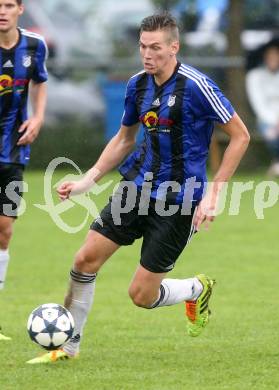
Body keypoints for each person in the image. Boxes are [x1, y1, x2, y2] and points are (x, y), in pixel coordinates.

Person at [27, 12, 249, 364]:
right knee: (84, 260)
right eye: (143, 46)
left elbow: (240, 136)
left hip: (179, 201)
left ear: (174, 48)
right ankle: (66, 347)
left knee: (141, 295)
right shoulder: (137, 85)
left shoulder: (196, 85)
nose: (147, 54)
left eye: (156, 47)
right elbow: (125, 138)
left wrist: (214, 194)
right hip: (137, 188)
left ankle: (195, 289)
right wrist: (89, 179)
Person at [0, 0, 48, 340]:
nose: (1, 11)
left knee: (4, 230)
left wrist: (38, 116)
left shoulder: (35, 45)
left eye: (6, 5)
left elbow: (39, 82)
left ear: (20, 8)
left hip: (14, 151)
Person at [246, 39, 279, 176]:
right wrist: (275, 122)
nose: (273, 59)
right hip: (266, 120)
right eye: (270, 56)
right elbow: (258, 104)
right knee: (272, 135)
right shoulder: (254, 76)